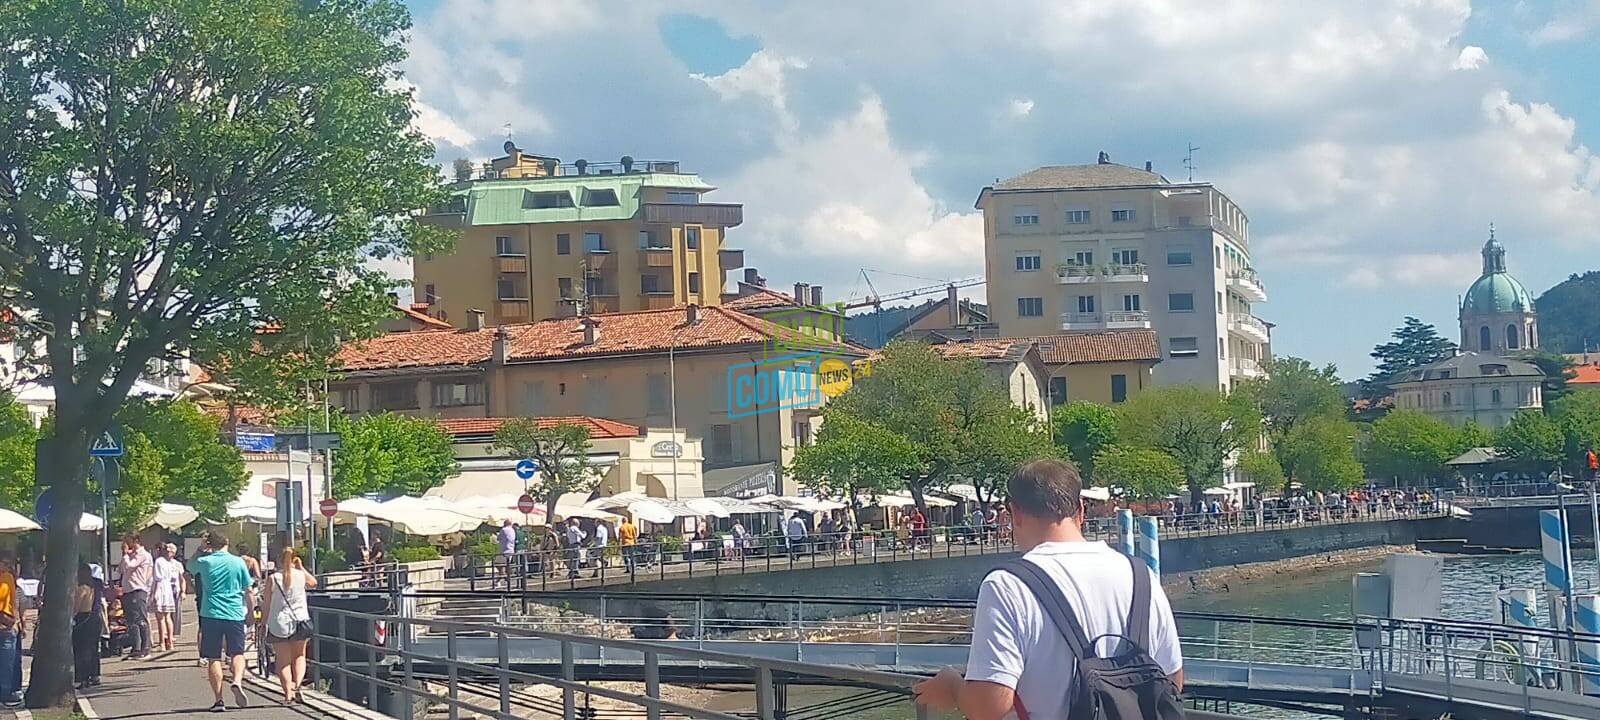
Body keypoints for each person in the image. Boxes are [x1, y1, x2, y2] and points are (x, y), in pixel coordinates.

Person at [914, 459, 1183, 718]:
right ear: (1080, 509)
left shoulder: (1007, 585)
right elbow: (1171, 681)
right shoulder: (1141, 575)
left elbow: (989, 706)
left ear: (1014, 513)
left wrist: (952, 687)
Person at [193, 530, 256, 712]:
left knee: (213, 657)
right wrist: (251, 613)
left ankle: (219, 700)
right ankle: (236, 680)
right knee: (237, 653)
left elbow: (190, 565)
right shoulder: (238, 562)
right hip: (235, 613)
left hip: (210, 613)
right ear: (227, 543)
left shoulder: (205, 562)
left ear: (210, 545)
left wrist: (200, 549)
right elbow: (248, 590)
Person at [261, 547, 318, 705]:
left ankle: (287, 694)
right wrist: (300, 566)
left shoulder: (273, 578)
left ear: (278, 560)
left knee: (283, 661)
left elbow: (266, 604)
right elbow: (313, 582)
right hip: (301, 621)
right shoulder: (300, 575)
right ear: (294, 559)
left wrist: (263, 623)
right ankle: (298, 686)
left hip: (279, 623)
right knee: (300, 656)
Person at [72, 563, 107, 689]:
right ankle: (94, 674)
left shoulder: (83, 588)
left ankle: (81, 677)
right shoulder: (94, 586)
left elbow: (77, 607)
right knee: (93, 648)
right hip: (95, 618)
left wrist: (71, 617)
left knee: (80, 649)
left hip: (83, 618)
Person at [119, 535, 154, 659]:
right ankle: (136, 647)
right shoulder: (130, 555)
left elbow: (130, 566)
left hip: (138, 589)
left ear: (136, 541)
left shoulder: (143, 555)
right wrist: (126, 555)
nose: (126, 545)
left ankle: (146, 648)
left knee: (140, 619)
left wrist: (125, 554)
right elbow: (122, 569)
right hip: (128, 590)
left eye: (128, 542)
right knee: (131, 620)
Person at [153, 542, 185, 652]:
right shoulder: (169, 563)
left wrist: (155, 593)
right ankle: (170, 642)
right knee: (168, 616)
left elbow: (157, 578)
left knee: (161, 618)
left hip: (162, 588)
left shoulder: (159, 561)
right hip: (168, 589)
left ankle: (162, 643)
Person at [0, 552, 21, 705]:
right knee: (7, 663)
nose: (8, 567)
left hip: (6, 623)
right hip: (5, 625)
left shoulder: (7, 578)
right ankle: (5, 694)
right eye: (5, 564)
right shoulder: (7, 578)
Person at [496, 519, 517, 589]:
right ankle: (504, 579)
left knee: (498, 565)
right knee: (505, 565)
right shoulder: (513, 530)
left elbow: (498, 539)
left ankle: (503, 579)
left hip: (503, 550)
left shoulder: (504, 530)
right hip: (510, 550)